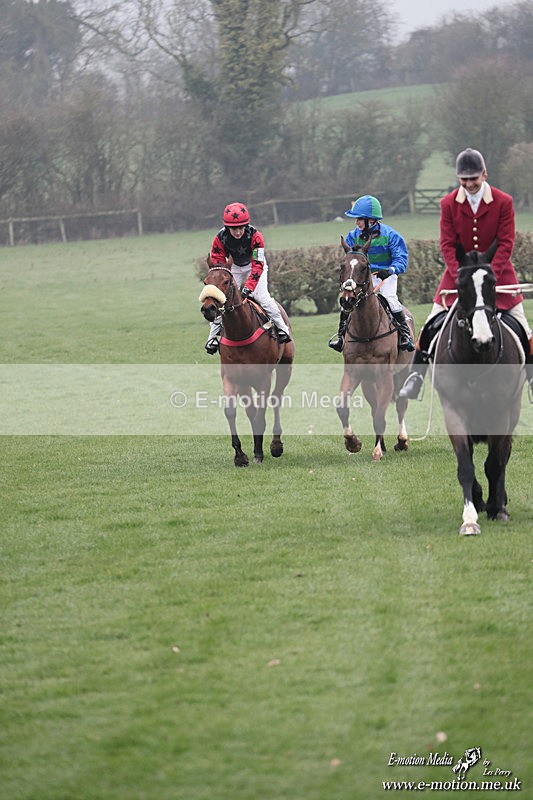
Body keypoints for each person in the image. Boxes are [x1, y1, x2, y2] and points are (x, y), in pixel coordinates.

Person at [399, 148, 533, 400]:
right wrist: (459, 274)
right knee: (430, 323)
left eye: (474, 178)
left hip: (498, 275)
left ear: (485, 174)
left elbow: (506, 242)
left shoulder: (503, 201)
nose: (470, 184)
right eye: (464, 179)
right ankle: (416, 378)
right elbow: (447, 243)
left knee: (523, 328)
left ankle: (532, 378)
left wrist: (491, 273)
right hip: (458, 276)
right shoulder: (448, 203)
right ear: (458, 178)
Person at [328, 194, 415, 352]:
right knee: (347, 302)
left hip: (385, 276)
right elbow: (350, 259)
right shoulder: (353, 236)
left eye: (359, 219)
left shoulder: (391, 235)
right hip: (362, 277)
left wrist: (390, 270)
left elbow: (401, 259)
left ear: (371, 220)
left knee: (391, 300)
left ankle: (405, 335)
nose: (356, 222)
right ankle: (340, 337)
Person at [204, 202, 291, 353]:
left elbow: (258, 265)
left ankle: (283, 329)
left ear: (246, 225)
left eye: (241, 228)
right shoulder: (220, 238)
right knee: (221, 300)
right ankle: (212, 338)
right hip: (234, 268)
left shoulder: (256, 236)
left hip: (255, 265)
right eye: (233, 228)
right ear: (227, 228)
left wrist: (248, 288)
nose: (238, 232)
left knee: (262, 297)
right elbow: (218, 265)